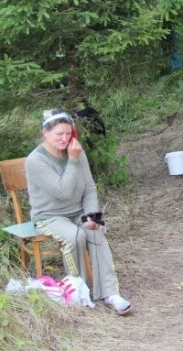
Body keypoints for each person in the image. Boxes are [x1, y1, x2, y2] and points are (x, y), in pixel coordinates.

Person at [25, 109, 132, 315]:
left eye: (68, 133)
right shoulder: (36, 160)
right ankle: (78, 291)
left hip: (77, 211)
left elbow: (90, 188)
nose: (65, 138)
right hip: (49, 215)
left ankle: (110, 294)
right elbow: (62, 192)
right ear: (45, 132)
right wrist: (73, 159)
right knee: (75, 236)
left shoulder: (76, 151)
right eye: (59, 134)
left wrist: (92, 215)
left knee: (95, 230)